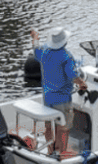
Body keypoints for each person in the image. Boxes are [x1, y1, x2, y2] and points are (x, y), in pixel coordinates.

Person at [30, 27, 86, 155]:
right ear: (65, 41)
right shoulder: (66, 56)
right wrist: (82, 83)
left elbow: (36, 49)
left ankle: (50, 151)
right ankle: (61, 153)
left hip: (47, 98)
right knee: (63, 127)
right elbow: (72, 75)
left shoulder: (44, 52)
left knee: (48, 126)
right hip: (62, 99)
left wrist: (35, 38)